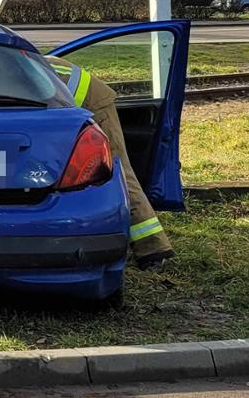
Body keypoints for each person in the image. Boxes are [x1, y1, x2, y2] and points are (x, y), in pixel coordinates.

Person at [43, 55, 175, 269]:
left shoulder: (9, 62)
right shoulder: (9, 57)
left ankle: (153, 248)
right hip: (77, 101)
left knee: (118, 170)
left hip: (93, 103)